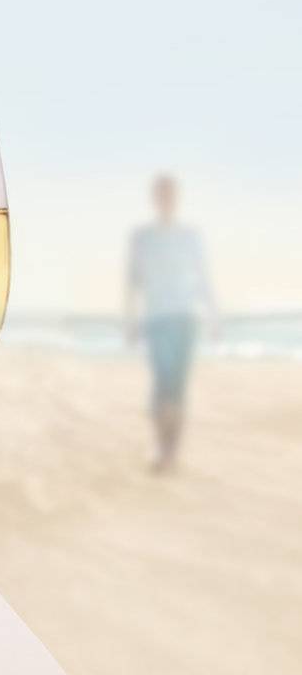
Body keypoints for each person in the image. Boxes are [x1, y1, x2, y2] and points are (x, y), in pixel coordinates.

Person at [125, 175, 216, 472]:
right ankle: (162, 447)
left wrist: (213, 314)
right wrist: (131, 319)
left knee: (178, 388)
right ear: (155, 198)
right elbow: (133, 281)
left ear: (176, 198)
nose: (166, 198)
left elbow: (203, 276)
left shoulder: (190, 235)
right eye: (161, 193)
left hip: (186, 317)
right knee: (161, 387)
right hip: (157, 318)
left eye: (170, 193)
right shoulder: (143, 237)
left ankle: (171, 453)